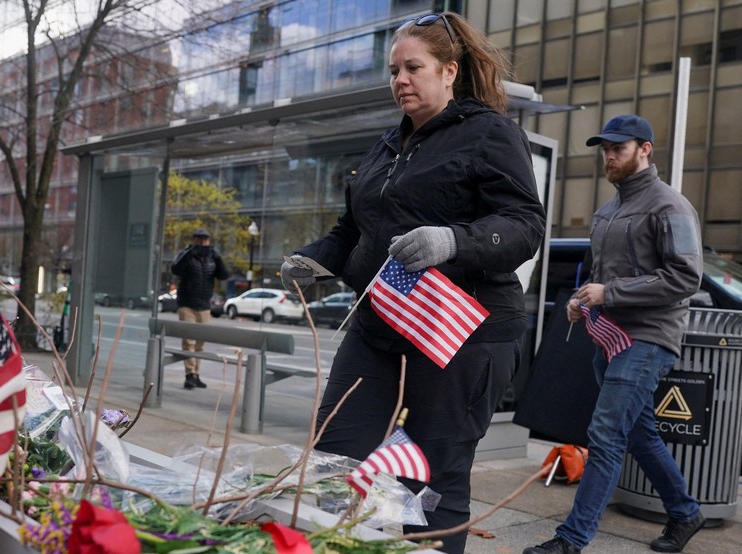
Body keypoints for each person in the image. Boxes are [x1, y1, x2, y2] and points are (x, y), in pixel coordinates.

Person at [281, 12, 545, 553]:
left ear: (449, 71)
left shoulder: (492, 132)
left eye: (413, 68)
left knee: (431, 482)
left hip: (460, 335)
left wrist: (453, 241)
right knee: (333, 462)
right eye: (393, 70)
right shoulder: (386, 145)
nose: (399, 79)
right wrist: (310, 261)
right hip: (379, 327)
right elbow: (353, 232)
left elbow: (525, 226)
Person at [524, 116, 705, 554]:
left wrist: (611, 292)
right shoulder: (608, 210)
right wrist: (582, 300)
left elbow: (686, 277)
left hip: (649, 338)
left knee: (605, 434)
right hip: (610, 337)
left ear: (645, 149)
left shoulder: (671, 205)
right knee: (639, 434)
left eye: (617, 148)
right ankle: (685, 512)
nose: (608, 156)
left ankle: (571, 540)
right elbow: (601, 277)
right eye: (605, 149)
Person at [171, 228, 230, 390]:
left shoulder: (212, 258)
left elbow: (224, 275)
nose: (202, 242)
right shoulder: (186, 255)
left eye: (205, 239)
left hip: (204, 306)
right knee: (188, 342)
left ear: (209, 241)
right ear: (194, 239)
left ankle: (196, 374)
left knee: (199, 343)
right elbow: (176, 269)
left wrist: (218, 258)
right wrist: (189, 253)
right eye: (199, 239)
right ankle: (189, 374)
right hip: (187, 305)